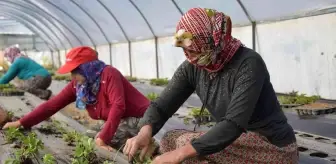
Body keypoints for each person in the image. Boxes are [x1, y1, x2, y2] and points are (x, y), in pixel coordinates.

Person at [123, 8, 298, 164]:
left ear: (211, 41)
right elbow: (161, 106)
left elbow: (232, 125)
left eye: (193, 49)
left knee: (185, 149)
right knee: (169, 139)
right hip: (236, 143)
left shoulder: (249, 64)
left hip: (271, 146)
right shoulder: (194, 66)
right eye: (185, 50)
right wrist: (145, 132)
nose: (189, 55)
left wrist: (179, 155)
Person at [2, 46, 151, 151]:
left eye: (75, 71)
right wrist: (21, 122)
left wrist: (104, 139)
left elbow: (118, 106)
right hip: (121, 118)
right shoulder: (79, 85)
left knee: (106, 141)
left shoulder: (109, 74)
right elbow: (52, 105)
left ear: (88, 67)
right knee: (89, 136)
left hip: (141, 117)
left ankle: (148, 145)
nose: (72, 76)